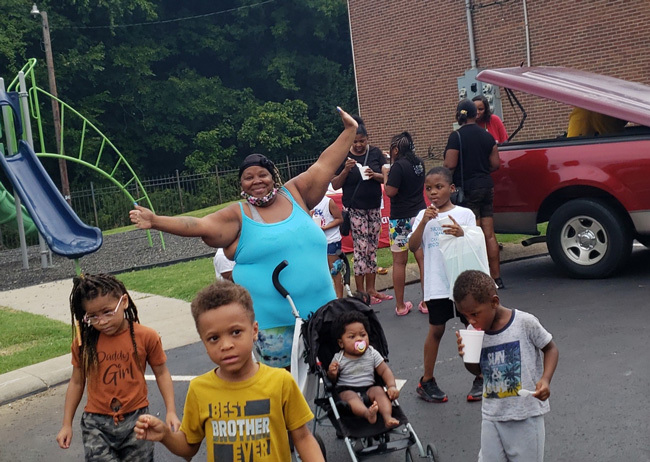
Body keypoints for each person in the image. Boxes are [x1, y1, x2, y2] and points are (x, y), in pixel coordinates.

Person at [130, 107, 357, 368]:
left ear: (273, 177)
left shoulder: (295, 194)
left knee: (338, 387)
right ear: (241, 184)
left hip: (325, 316)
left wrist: (349, 131)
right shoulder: (239, 215)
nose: (256, 180)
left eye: (262, 174)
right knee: (282, 394)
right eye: (248, 177)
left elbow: (325, 163)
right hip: (275, 331)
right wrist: (156, 221)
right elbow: (198, 224)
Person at [134, 280, 324, 462]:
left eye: (236, 332)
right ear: (203, 341)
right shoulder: (199, 389)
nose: (226, 345)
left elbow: (303, 438)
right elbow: (188, 449)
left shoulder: (281, 381)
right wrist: (165, 435)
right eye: (214, 338)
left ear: (254, 330)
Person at [56, 273, 180, 460]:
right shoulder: (84, 344)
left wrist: (171, 411)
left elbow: (162, 373)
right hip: (96, 425)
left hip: (137, 422)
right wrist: (67, 424)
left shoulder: (146, 336)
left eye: (107, 312)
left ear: (124, 302)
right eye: (93, 317)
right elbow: (76, 382)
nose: (102, 321)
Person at [454, 270, 559, 462]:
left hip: (525, 414)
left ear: (494, 302)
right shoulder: (474, 331)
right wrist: (467, 356)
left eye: (475, 314)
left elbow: (550, 348)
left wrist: (545, 379)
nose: (471, 321)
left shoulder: (524, 323)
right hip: (492, 414)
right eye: (465, 316)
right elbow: (477, 371)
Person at [408, 167, 484, 403]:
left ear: (451, 189)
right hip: (437, 283)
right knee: (437, 329)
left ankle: (482, 376)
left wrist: (463, 233)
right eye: (429, 188)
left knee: (473, 327)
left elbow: (476, 241)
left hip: (462, 283)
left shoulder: (465, 214)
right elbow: (412, 246)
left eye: (439, 187)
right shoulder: (423, 216)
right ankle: (426, 381)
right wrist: (424, 222)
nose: (433, 193)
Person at [331, 115, 392, 304]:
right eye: (355, 141)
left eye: (362, 141)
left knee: (372, 248)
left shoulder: (375, 153)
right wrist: (346, 170)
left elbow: (387, 179)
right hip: (355, 208)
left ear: (368, 139)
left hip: (374, 207)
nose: (358, 145)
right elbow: (334, 185)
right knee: (361, 249)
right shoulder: (343, 157)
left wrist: (374, 175)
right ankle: (361, 291)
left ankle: (372, 289)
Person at [443, 99, 503, 289]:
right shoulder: (486, 136)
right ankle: (496, 277)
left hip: (467, 189)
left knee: (471, 233)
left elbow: (450, 164)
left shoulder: (456, 137)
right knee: (489, 234)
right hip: (486, 185)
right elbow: (495, 164)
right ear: (474, 115)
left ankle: (479, 278)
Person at [327, 310, 400, 428]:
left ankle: (387, 417)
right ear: (341, 343)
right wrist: (332, 373)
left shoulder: (371, 353)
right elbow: (331, 379)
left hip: (369, 388)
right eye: (352, 337)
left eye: (362, 335)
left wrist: (391, 386)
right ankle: (367, 414)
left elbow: (384, 370)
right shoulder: (339, 358)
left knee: (379, 392)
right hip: (347, 389)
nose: (359, 339)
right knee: (350, 397)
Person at [383, 131, 426, 316]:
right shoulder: (419, 163)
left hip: (400, 218)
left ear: (395, 149)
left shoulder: (398, 166)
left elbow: (391, 192)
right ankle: (427, 302)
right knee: (423, 259)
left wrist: (386, 174)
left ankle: (401, 306)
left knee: (399, 262)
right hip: (419, 216)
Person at [311, 194, 344, 298]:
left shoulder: (328, 201)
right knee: (320, 271)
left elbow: (339, 219)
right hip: (316, 241)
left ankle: (339, 298)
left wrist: (325, 227)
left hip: (331, 240)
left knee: (334, 269)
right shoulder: (308, 203)